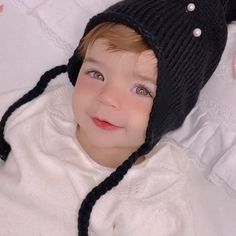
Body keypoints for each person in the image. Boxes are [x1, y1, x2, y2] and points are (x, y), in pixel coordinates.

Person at [0, 0, 235, 235]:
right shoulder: (45, 110)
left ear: (170, 109)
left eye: (141, 90)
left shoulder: (151, 195)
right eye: (96, 74)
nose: (107, 98)